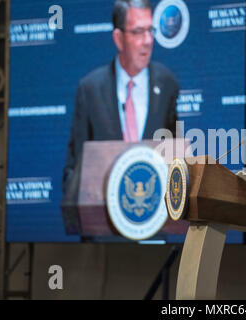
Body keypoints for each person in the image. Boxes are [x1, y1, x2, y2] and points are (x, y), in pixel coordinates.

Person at [63, 0, 179, 193]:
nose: (148, 40)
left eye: (150, 31)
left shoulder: (167, 85)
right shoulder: (90, 90)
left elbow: (177, 162)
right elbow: (74, 170)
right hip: (102, 216)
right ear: (118, 38)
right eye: (138, 32)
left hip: (155, 214)